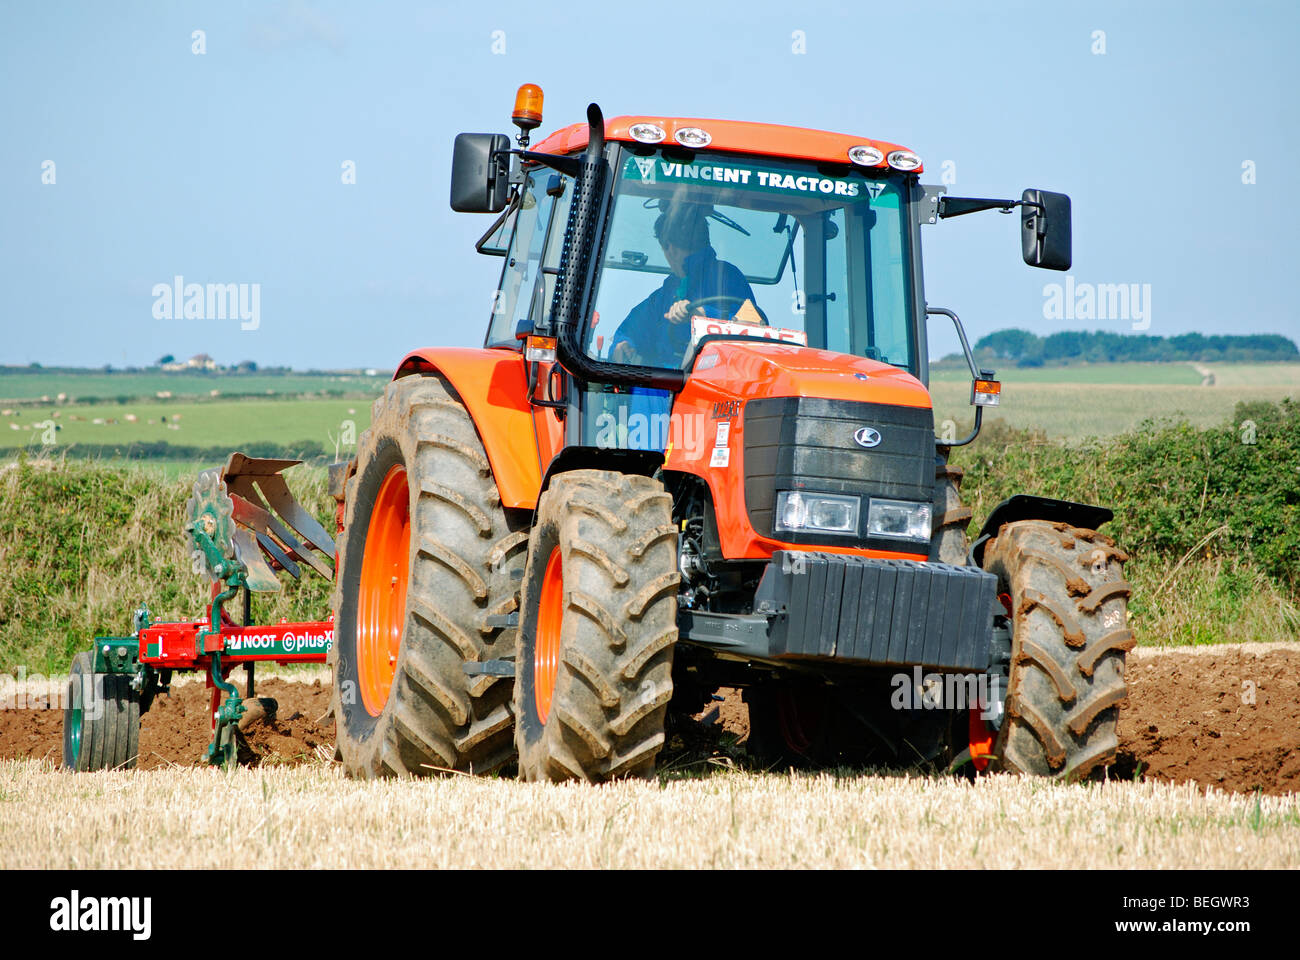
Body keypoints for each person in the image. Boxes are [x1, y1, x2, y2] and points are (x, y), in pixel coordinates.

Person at [609, 204, 756, 368]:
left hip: (710, 383)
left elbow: (754, 329)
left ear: (669, 248)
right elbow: (630, 330)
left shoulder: (727, 277)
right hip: (667, 385)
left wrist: (701, 315)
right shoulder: (667, 292)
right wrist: (622, 345)